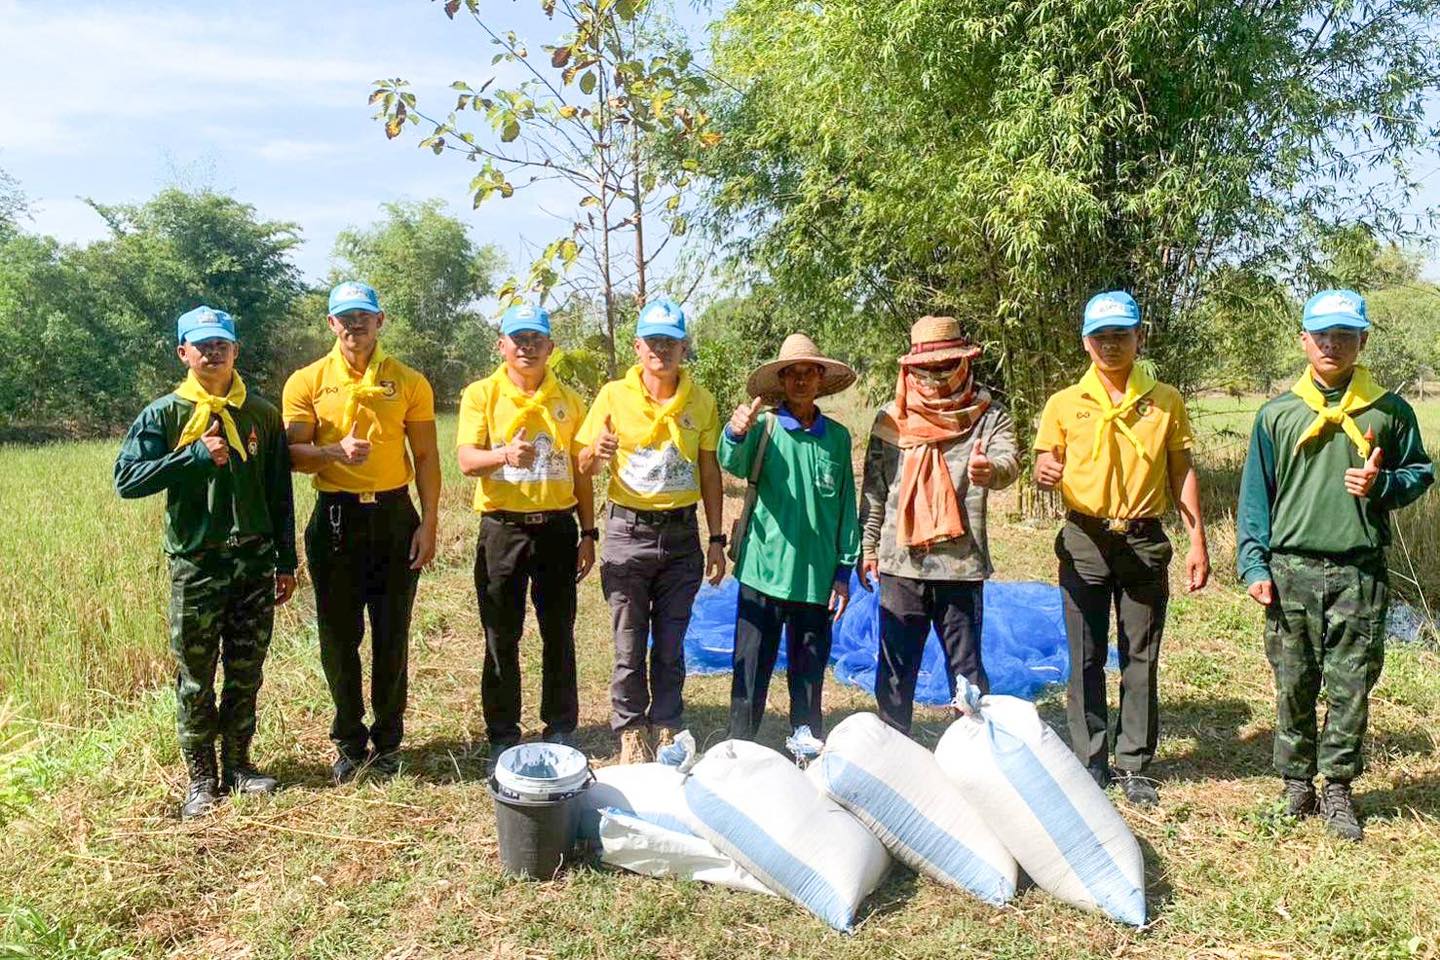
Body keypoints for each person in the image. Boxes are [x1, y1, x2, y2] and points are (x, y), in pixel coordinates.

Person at [1237, 289, 1433, 841]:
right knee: (1293, 681)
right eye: (1322, 334)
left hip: (1359, 571)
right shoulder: (1277, 414)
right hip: (1291, 568)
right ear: (1304, 340)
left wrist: (1384, 485)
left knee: (1351, 685)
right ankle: (1295, 782)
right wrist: (1254, 566)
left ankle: (1339, 788)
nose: (1332, 345)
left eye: (1345, 335)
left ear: (1362, 341)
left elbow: (1420, 472)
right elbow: (1256, 497)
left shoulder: (1390, 412)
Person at [115, 306, 296, 819]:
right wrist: (192, 457)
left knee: (246, 670)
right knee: (196, 676)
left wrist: (286, 559)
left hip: (255, 562)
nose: (213, 353)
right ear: (183, 353)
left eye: (222, 344)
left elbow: (279, 491)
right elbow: (127, 479)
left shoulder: (260, 413)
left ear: (236, 351)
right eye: (202, 345)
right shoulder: (165, 415)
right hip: (198, 565)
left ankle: (238, 766)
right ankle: (201, 780)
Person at [1033, 290, 1209, 806]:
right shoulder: (1064, 403)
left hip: (1143, 538)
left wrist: (1197, 539)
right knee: (1085, 653)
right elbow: (1046, 462)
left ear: (1139, 337)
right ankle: (1091, 762)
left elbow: (1181, 471)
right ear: (1087, 343)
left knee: (1140, 654)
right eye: (1101, 337)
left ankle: (1134, 763)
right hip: (1085, 536)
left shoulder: (1165, 401)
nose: (1111, 345)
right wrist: (1044, 472)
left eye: (1121, 335)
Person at [282, 281, 440, 783]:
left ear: (380, 321)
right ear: (330, 323)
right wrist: (332, 452)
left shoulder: (408, 381)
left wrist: (430, 520)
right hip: (336, 518)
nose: (355, 325)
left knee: (392, 634)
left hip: (395, 516)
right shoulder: (306, 382)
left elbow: (428, 456)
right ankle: (349, 742)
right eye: (345, 317)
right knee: (338, 636)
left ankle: (389, 741)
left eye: (364, 316)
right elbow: (291, 455)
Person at [576, 298, 725, 763]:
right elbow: (581, 464)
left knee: (671, 643)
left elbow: (709, 471)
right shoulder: (612, 397)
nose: (661, 350)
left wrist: (716, 538)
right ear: (637, 347)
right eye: (653, 341)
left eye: (671, 342)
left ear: (684, 347)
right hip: (627, 532)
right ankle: (630, 730)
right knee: (628, 641)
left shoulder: (701, 401)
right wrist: (595, 453)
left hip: (681, 536)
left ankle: (666, 726)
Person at [858, 316, 1020, 735]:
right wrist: (869, 547)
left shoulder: (988, 416)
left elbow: (1008, 463)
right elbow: (875, 491)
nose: (936, 377)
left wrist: (989, 471)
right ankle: (894, 757)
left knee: (967, 675)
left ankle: (973, 761)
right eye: (927, 369)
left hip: (961, 566)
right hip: (900, 565)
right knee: (895, 673)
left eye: (947, 366)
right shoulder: (891, 420)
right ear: (911, 368)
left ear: (965, 363)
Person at [456, 305, 595, 764]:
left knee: (559, 631)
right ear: (502, 345)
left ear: (550, 347)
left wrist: (589, 532)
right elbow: (465, 461)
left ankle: (560, 726)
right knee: (501, 633)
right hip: (503, 528)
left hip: (556, 529)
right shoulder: (482, 394)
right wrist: (501, 455)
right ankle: (502, 731)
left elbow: (581, 473)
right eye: (518, 338)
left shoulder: (570, 401)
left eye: (536, 339)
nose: (527, 347)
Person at [719, 334, 860, 741]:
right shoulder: (763, 428)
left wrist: (843, 571)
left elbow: (846, 507)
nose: (800, 381)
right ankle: (738, 754)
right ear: (781, 380)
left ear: (820, 379)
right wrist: (734, 432)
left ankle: (806, 756)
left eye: (808, 373)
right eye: (792, 374)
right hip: (763, 571)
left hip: (816, 580)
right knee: (749, 671)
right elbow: (732, 461)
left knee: (809, 678)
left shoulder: (837, 438)